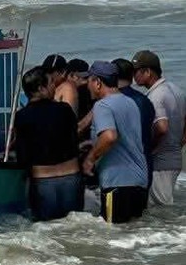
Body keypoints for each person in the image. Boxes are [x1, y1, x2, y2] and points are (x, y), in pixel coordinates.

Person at [10, 66, 83, 221]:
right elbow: (74, 139)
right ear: (41, 89)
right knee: (74, 227)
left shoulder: (21, 117)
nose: (54, 86)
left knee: (47, 229)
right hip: (71, 179)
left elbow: (23, 155)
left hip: (43, 182)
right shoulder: (64, 110)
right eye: (50, 83)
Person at [81, 60, 149, 224]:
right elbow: (124, 136)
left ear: (97, 82)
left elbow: (110, 137)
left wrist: (90, 159)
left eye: (89, 81)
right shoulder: (130, 102)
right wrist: (94, 144)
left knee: (114, 238)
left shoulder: (102, 105)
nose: (87, 85)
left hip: (117, 182)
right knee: (133, 238)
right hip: (139, 181)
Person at [133, 50, 186, 206]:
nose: (133, 76)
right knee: (163, 205)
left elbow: (162, 127)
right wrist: (181, 141)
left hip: (161, 162)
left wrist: (150, 148)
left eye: (135, 72)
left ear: (147, 72)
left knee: (161, 209)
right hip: (174, 159)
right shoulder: (175, 89)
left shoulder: (155, 96)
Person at [112, 58, 159, 185]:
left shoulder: (112, 102)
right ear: (132, 75)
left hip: (122, 170)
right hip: (144, 166)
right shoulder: (145, 100)